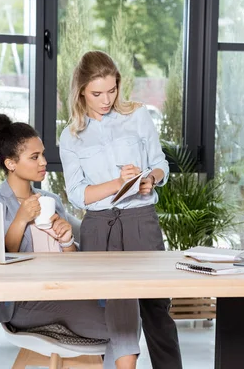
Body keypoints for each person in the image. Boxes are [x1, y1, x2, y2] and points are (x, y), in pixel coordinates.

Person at [0, 114, 140, 369]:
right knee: (124, 325)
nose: (43, 162)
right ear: (10, 163)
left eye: (42, 154)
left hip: (66, 292)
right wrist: (20, 220)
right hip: (24, 302)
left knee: (125, 301)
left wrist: (66, 241)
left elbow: (72, 262)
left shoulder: (51, 200)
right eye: (34, 157)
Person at [59, 50, 183, 369]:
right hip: (99, 226)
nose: (105, 99)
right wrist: (118, 183)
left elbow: (159, 165)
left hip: (141, 221)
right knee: (106, 309)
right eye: (97, 93)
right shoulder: (70, 136)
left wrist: (149, 181)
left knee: (156, 307)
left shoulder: (137, 115)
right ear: (81, 90)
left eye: (112, 90)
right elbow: (77, 194)